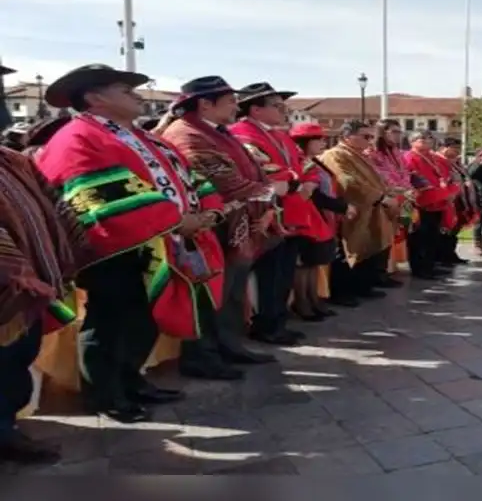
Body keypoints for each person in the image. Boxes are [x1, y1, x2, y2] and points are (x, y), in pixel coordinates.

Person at [37, 64, 226, 422]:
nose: (137, 95)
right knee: (110, 320)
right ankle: (105, 395)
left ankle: (131, 379)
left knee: (143, 317)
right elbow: (96, 194)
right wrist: (175, 220)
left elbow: (190, 176)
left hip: (161, 243)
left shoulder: (147, 138)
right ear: (95, 98)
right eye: (125, 90)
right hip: (113, 249)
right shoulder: (77, 137)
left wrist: (210, 211)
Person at [161, 76, 282, 376]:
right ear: (204, 103)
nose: (234, 107)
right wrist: (268, 193)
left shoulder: (217, 132)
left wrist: (265, 200)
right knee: (211, 293)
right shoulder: (187, 134)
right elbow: (224, 181)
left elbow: (255, 172)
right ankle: (202, 356)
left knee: (231, 292)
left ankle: (229, 345)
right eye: (229, 101)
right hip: (210, 225)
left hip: (236, 224)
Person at [0, 146, 86, 464]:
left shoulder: (11, 158)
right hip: (11, 281)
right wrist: (16, 269)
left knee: (20, 354)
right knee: (5, 359)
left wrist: (74, 241)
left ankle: (7, 423)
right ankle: (4, 433)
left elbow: (51, 199)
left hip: (25, 284)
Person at [231, 82, 334, 346]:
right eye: (277, 106)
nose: (283, 110)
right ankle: (266, 325)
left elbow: (304, 164)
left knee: (284, 273)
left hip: (293, 213)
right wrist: (297, 181)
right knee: (271, 275)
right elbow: (265, 171)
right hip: (270, 215)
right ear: (255, 109)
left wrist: (306, 181)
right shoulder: (242, 134)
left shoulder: (279, 134)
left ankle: (278, 321)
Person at [317, 120, 397, 296]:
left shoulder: (358, 154)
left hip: (371, 208)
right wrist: (380, 196)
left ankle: (363, 287)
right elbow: (348, 181)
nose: (369, 141)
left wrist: (389, 191)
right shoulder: (336, 155)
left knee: (368, 249)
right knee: (347, 252)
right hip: (351, 209)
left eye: (371, 137)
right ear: (347, 136)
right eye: (365, 136)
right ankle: (343, 293)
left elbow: (376, 179)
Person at [288, 123, 351, 320]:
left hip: (319, 217)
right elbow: (314, 195)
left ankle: (314, 299)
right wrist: (341, 206)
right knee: (304, 263)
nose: (323, 143)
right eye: (318, 139)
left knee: (314, 262)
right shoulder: (299, 162)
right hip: (305, 216)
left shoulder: (313, 161)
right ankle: (302, 303)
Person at [403, 130, 459, 279]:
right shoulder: (410, 157)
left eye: (429, 138)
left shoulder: (434, 157)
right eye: (422, 138)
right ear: (412, 142)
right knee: (420, 238)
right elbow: (416, 179)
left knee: (433, 238)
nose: (427, 141)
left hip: (438, 202)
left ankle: (430, 265)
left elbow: (447, 175)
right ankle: (420, 268)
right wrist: (442, 191)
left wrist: (449, 188)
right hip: (422, 203)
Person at [366, 119, 413, 282]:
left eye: (399, 132)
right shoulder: (372, 152)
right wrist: (396, 188)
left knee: (392, 235)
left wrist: (406, 188)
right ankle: (377, 274)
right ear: (382, 132)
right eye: (394, 132)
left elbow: (405, 171)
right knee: (381, 237)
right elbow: (379, 174)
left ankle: (385, 270)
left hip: (400, 197)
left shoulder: (396, 152)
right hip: (383, 199)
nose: (398, 135)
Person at [436, 137, 475, 266]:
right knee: (444, 229)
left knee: (454, 229)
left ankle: (450, 254)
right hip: (447, 199)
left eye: (458, 148)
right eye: (454, 148)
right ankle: (442, 256)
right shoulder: (438, 161)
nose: (457, 151)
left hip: (459, 199)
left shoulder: (455, 163)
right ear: (444, 148)